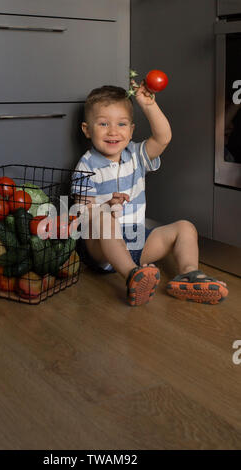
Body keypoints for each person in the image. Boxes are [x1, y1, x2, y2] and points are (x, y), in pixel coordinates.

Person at [71, 82, 228, 306]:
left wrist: (148, 105)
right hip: (102, 251)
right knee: (102, 219)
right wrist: (107, 208)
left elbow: (163, 138)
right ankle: (132, 275)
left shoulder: (135, 155)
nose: (113, 131)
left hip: (138, 242)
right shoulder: (85, 167)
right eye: (103, 124)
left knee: (185, 227)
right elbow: (84, 217)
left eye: (121, 124)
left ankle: (189, 274)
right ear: (87, 129)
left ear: (132, 130)